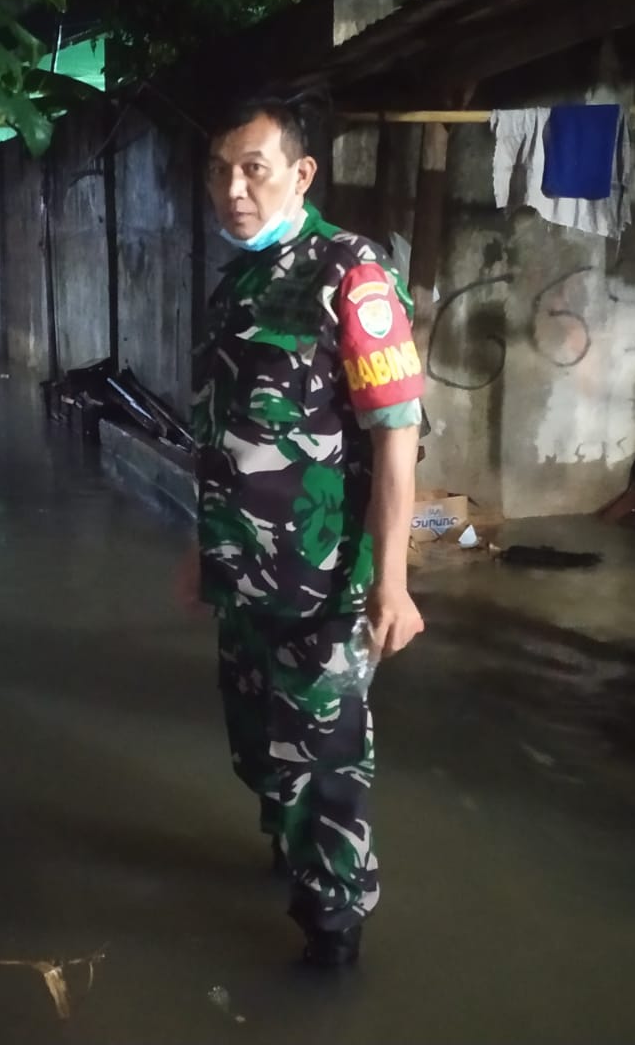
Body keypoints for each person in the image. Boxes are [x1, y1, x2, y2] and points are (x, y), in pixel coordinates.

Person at [190, 96, 426, 968]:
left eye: (254, 169)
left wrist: (392, 582)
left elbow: (396, 437)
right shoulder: (239, 283)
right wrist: (200, 549)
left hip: (323, 581)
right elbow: (225, 437)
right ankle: (291, 859)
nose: (234, 189)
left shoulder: (350, 275)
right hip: (243, 575)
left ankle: (334, 933)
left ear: (301, 174)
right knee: (258, 745)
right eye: (221, 171)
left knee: (323, 764)